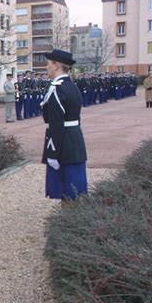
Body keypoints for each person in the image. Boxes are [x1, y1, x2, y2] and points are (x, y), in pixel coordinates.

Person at [41, 49, 87, 201]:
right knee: (73, 193)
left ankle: (67, 223)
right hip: (74, 142)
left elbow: (56, 124)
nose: (46, 67)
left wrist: (52, 153)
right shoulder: (71, 86)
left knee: (67, 192)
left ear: (56, 65)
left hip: (63, 146)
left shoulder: (58, 89)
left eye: (48, 64)